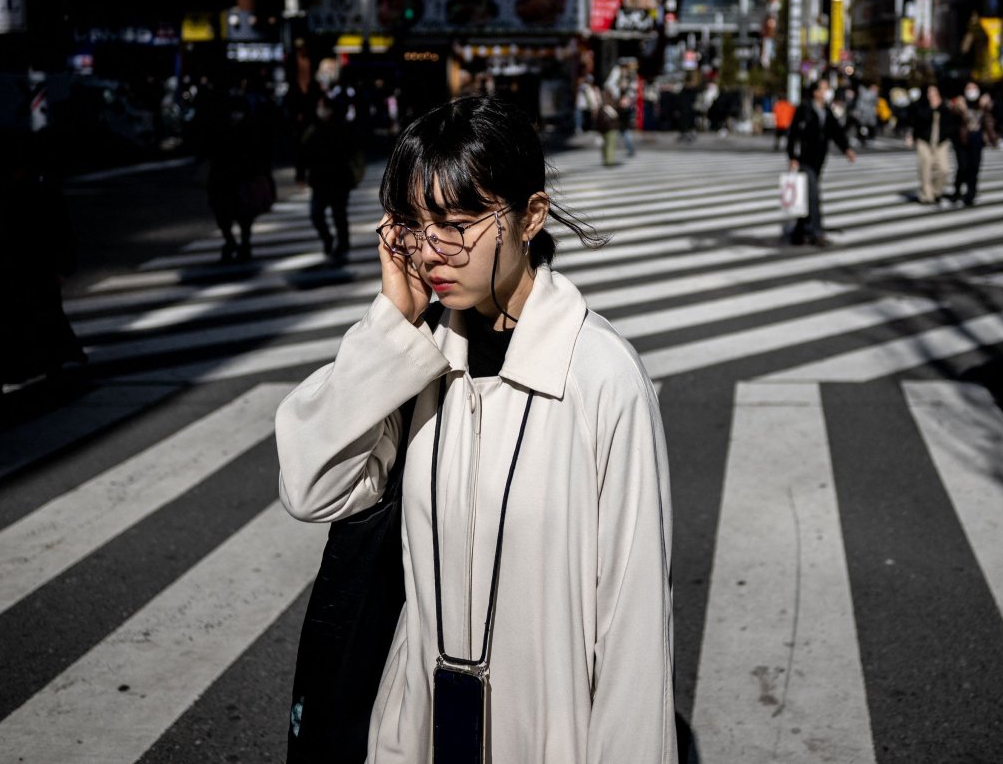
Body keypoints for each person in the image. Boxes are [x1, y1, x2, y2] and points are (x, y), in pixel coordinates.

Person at [274, 96, 677, 764]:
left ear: (532, 217)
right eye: (413, 223)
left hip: (549, 733)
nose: (432, 252)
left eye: (456, 224)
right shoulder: (415, 361)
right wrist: (389, 323)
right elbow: (311, 488)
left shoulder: (600, 377)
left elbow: (635, 628)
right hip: (415, 731)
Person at [0, 137, 86, 409]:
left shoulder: (31, 194)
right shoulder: (19, 195)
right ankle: (23, 384)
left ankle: (19, 385)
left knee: (23, 329)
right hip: (17, 274)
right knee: (26, 328)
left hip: (20, 273)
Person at [786, 76, 857, 247]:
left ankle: (799, 231)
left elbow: (836, 131)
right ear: (815, 92)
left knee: (805, 196)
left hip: (819, 160)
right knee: (813, 196)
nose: (827, 92)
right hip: (805, 159)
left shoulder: (826, 110)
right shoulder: (804, 109)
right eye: (824, 88)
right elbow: (793, 135)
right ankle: (816, 233)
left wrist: (846, 148)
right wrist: (793, 157)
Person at [206, 90, 275, 263]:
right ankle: (231, 241)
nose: (235, 115)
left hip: (244, 179)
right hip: (223, 179)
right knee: (223, 215)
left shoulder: (252, 129)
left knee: (244, 215)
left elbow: (262, 157)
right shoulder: (220, 129)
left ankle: (243, 243)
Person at [297, 94, 364, 265]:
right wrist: (301, 174)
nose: (321, 110)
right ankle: (328, 238)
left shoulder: (342, 127)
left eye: (324, 107)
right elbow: (302, 152)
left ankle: (343, 243)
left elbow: (354, 151)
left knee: (338, 214)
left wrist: (355, 174)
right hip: (319, 179)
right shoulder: (313, 128)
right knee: (316, 213)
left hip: (339, 178)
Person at [905, 84, 959, 206]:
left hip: (941, 142)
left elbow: (951, 123)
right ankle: (926, 196)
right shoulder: (922, 105)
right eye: (930, 93)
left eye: (935, 93)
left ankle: (936, 191)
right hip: (924, 141)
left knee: (944, 169)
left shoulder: (945, 106)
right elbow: (917, 120)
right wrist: (931, 108)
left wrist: (940, 107)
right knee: (925, 168)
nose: (932, 95)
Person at [953, 90, 997, 206]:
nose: (971, 90)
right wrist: (959, 108)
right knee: (963, 167)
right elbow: (952, 116)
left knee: (974, 168)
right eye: (969, 87)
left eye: (974, 87)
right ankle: (957, 189)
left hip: (977, 140)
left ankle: (971, 194)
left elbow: (990, 120)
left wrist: (987, 105)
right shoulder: (961, 103)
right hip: (962, 140)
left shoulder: (983, 104)